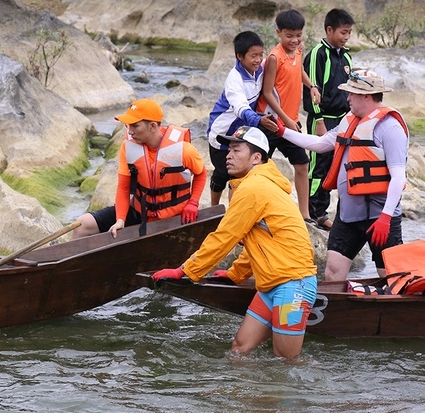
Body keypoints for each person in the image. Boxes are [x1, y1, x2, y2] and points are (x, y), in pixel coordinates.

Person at [152, 126, 317, 360]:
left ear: (256, 158)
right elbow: (260, 242)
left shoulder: (254, 187)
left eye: (236, 150)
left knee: (286, 361)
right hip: (271, 285)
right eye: (228, 150)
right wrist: (236, 274)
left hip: (294, 285)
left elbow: (224, 237)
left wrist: (185, 271)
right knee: (240, 348)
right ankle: (246, 396)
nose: (228, 155)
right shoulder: (253, 184)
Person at [274, 69, 409, 280]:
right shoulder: (348, 122)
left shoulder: (390, 128)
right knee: (332, 272)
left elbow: (399, 177)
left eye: (352, 93)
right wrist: (283, 132)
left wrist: (386, 217)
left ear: (366, 96)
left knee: (391, 276)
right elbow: (319, 144)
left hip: (380, 217)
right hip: (348, 215)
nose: (347, 98)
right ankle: (338, 311)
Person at [72, 98, 207, 239]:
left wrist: (193, 203)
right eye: (128, 126)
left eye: (135, 126)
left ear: (153, 126)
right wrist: (120, 220)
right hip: (139, 213)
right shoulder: (128, 147)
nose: (130, 131)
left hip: (173, 219)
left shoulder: (184, 150)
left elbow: (201, 173)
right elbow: (124, 187)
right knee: (83, 225)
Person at [256, 9, 320, 224]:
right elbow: (267, 93)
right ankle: (258, 213)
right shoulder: (275, 58)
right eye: (289, 36)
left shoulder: (298, 51)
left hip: (290, 122)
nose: (294, 40)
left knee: (302, 164)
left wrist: (311, 86)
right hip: (272, 123)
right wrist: (287, 119)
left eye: (298, 35)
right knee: (261, 168)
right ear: (278, 33)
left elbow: (299, 70)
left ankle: (305, 214)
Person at [207, 31, 277, 206]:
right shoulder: (235, 79)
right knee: (222, 173)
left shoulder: (259, 69)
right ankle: (214, 209)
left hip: (240, 132)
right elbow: (240, 107)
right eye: (253, 56)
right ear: (240, 56)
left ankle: (234, 211)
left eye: (260, 55)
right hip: (221, 133)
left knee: (238, 175)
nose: (258, 60)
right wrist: (258, 120)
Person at [303, 8, 355, 231]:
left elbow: (350, 89)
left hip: (342, 120)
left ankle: (324, 211)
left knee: (337, 167)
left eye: (349, 33)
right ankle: (313, 213)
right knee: (318, 167)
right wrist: (319, 120)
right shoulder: (318, 54)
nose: (346, 37)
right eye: (343, 32)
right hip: (322, 120)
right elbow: (313, 90)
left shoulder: (346, 56)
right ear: (329, 30)